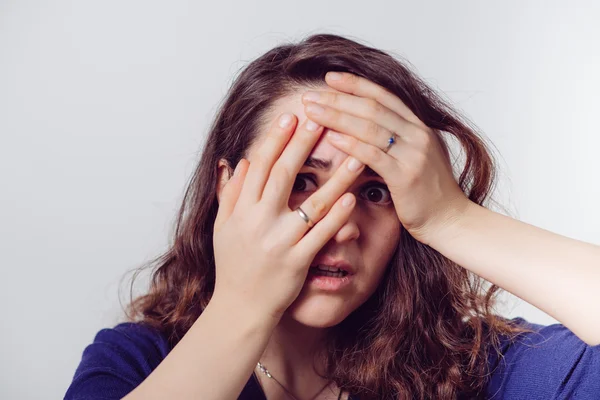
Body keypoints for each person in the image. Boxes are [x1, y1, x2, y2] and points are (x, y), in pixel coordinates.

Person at [63, 33, 600, 400]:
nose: (341, 225)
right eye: (302, 182)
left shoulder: (474, 368)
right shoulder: (138, 362)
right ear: (228, 191)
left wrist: (451, 218)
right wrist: (242, 302)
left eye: (375, 191)